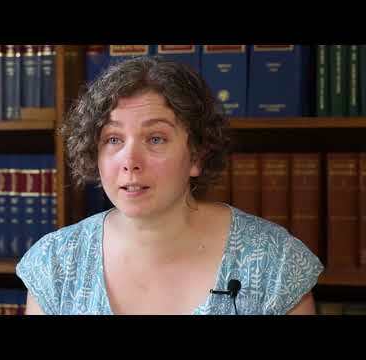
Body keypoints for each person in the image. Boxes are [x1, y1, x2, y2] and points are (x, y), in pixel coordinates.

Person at [16, 55, 324, 315]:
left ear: (197, 155)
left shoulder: (275, 262)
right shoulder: (54, 264)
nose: (130, 160)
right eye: (113, 139)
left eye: (155, 139)